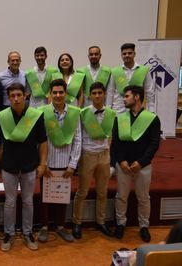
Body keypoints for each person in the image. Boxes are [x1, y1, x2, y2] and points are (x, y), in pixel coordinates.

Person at [0, 82, 48, 251]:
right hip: (8, 166)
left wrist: (42, 164)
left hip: (30, 166)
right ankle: (9, 233)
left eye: (19, 95)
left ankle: (28, 232)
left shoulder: (35, 116)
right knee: (9, 202)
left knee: (28, 201)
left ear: (25, 96)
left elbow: (43, 142)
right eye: (12, 96)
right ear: (8, 98)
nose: (16, 99)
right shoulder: (1, 117)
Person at [111, 85, 161, 242]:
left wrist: (142, 162)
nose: (124, 99)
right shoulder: (120, 118)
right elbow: (116, 143)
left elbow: (154, 143)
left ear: (137, 97)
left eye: (126, 96)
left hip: (143, 165)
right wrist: (122, 161)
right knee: (121, 196)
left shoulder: (152, 119)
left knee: (144, 197)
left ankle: (144, 226)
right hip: (124, 165)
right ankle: (120, 223)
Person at [37, 79, 81, 243]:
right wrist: (43, 163)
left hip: (65, 163)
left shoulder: (75, 113)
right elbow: (39, 141)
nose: (57, 95)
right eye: (54, 92)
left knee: (62, 197)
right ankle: (44, 227)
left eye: (60, 92)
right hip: (47, 162)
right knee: (45, 197)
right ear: (50, 94)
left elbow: (78, 140)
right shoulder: (42, 112)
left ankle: (61, 226)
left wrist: (72, 164)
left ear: (65, 93)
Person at [72, 82, 116, 239]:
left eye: (100, 93)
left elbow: (110, 135)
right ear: (90, 95)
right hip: (88, 155)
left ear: (104, 94)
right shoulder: (83, 113)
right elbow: (78, 135)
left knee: (102, 192)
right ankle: (77, 223)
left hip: (104, 155)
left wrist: (107, 151)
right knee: (82, 192)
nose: (97, 96)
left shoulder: (111, 113)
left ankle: (101, 221)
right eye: (94, 93)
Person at [106, 43, 155, 114]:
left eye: (129, 53)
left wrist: (151, 110)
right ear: (121, 55)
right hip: (118, 110)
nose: (127, 55)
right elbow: (110, 92)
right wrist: (108, 109)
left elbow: (150, 92)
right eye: (124, 53)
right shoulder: (115, 71)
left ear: (134, 54)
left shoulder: (144, 70)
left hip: (137, 110)